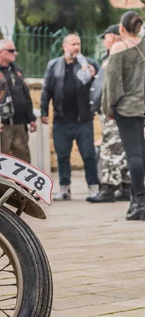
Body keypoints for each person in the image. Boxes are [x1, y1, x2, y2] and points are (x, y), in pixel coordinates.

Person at [41, 34, 100, 201]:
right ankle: (64, 189)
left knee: (89, 155)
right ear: (64, 46)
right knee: (62, 156)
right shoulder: (53, 65)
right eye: (73, 44)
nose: (77, 47)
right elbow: (46, 89)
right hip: (61, 119)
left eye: (79, 44)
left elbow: (97, 88)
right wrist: (44, 111)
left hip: (84, 119)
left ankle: (94, 188)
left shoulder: (89, 64)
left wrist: (91, 74)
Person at [103, 11, 145, 220]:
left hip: (127, 109)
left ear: (121, 28)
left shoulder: (118, 48)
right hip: (143, 106)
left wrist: (108, 108)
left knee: (134, 156)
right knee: (142, 154)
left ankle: (139, 203)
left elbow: (112, 85)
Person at [88, 24, 132, 203]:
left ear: (113, 36)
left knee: (111, 149)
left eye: (105, 36)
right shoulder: (111, 56)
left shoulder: (120, 54)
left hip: (115, 111)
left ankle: (108, 188)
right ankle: (126, 187)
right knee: (122, 149)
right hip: (112, 111)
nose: (104, 40)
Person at [0, 39, 37, 163]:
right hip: (0, 125)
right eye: (11, 51)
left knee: (23, 163)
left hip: (20, 125)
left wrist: (31, 118)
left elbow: (26, 95)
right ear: (1, 52)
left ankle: (19, 184)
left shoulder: (17, 71)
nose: (15, 53)